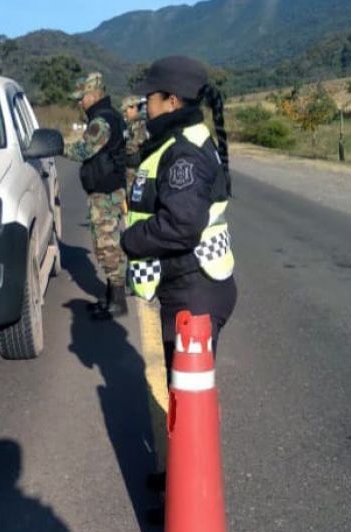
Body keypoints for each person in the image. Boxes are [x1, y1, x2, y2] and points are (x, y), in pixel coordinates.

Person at [120, 55, 236, 376]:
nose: (146, 107)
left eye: (149, 99)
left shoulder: (184, 151)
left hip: (194, 292)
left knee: (189, 406)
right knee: (187, 399)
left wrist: (131, 239)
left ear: (171, 101)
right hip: (189, 287)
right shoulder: (178, 141)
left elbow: (181, 225)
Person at [63, 72, 129, 320]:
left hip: (106, 192)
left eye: (81, 98)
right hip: (108, 189)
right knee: (106, 245)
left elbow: (83, 150)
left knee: (108, 246)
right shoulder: (112, 116)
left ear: (93, 95)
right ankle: (112, 298)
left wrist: (60, 146)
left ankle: (118, 303)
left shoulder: (101, 121)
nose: (79, 103)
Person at [121, 94, 148, 197]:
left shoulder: (140, 126)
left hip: (137, 173)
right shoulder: (132, 126)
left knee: (135, 200)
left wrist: (121, 147)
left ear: (134, 108)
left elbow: (133, 147)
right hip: (131, 172)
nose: (124, 114)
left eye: (126, 110)